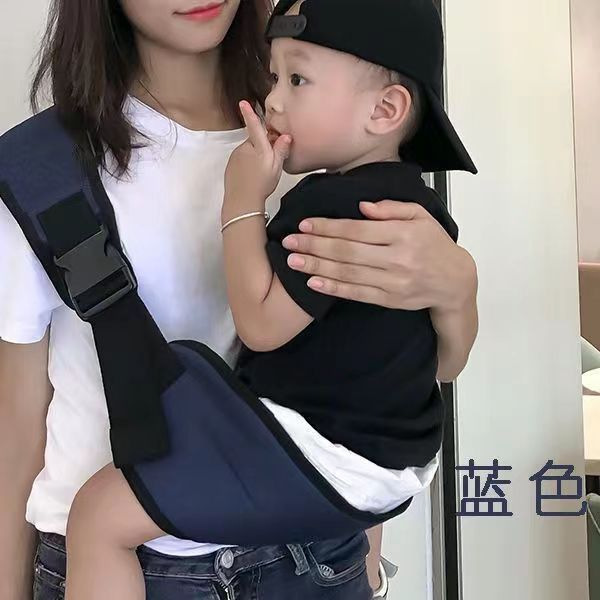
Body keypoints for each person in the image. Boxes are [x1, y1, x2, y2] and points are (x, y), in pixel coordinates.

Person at [0, 1, 479, 599]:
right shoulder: (45, 168)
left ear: (388, 110)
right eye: (283, 78)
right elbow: (18, 421)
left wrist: (458, 289)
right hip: (131, 570)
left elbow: (415, 366)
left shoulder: (327, 136)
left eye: (293, 79)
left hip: (314, 559)